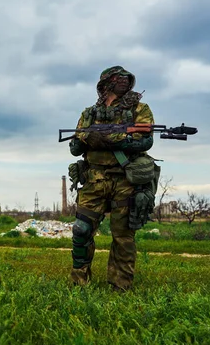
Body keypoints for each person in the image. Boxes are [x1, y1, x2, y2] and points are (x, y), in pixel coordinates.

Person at [67, 66, 156, 291]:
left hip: (125, 179)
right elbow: (75, 148)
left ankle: (120, 286)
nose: (124, 82)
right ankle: (79, 281)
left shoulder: (140, 109)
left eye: (127, 79)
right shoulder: (89, 113)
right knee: (81, 229)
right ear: (105, 83)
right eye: (118, 78)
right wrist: (90, 138)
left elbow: (145, 142)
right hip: (94, 179)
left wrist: (114, 140)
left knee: (123, 236)